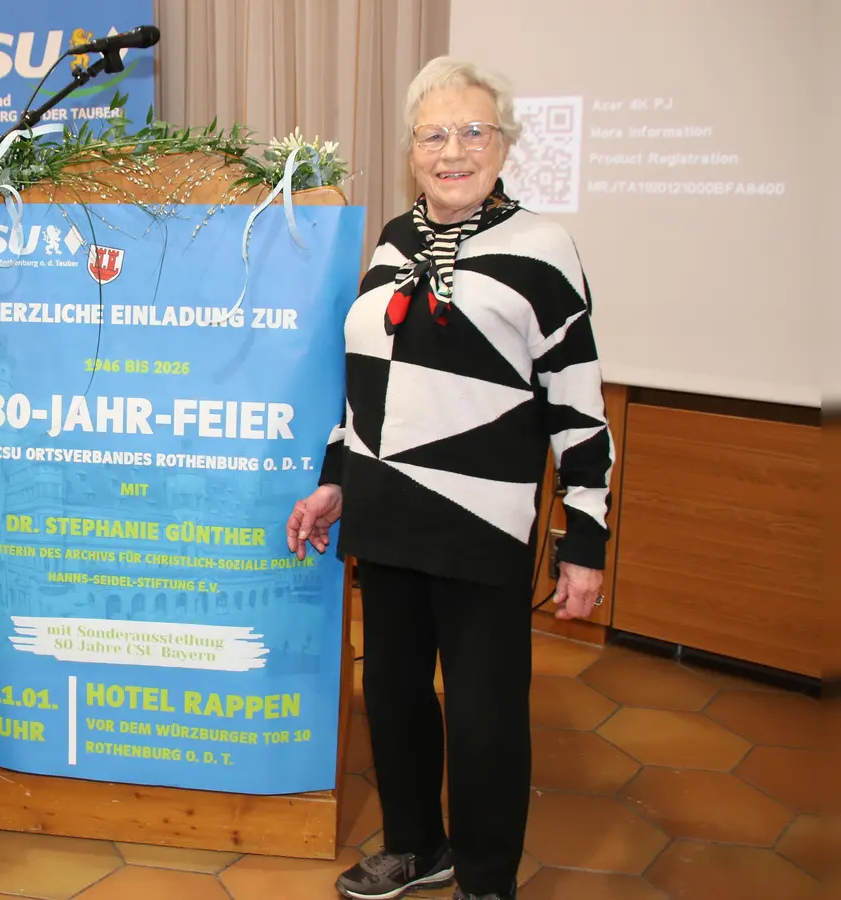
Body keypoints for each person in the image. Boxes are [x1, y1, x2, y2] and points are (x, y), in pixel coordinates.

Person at [288, 57, 612, 900]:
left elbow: (580, 406)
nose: (452, 150)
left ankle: (487, 877)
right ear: (412, 151)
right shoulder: (393, 242)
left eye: (473, 131)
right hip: (388, 515)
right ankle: (414, 846)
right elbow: (365, 389)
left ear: (504, 144)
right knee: (393, 695)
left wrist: (585, 540)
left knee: (483, 713)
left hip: (481, 522)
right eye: (433, 135)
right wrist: (336, 482)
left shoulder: (543, 248)